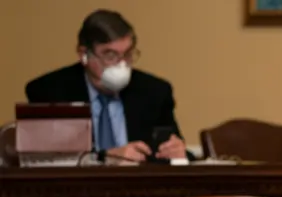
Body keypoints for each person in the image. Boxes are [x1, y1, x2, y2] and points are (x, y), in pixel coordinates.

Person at [25, 9, 192, 162]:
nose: (121, 65)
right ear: (84, 55)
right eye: (110, 55)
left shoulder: (154, 92)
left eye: (127, 54)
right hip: (74, 191)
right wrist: (104, 158)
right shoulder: (49, 91)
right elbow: (43, 161)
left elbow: (176, 154)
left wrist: (179, 153)